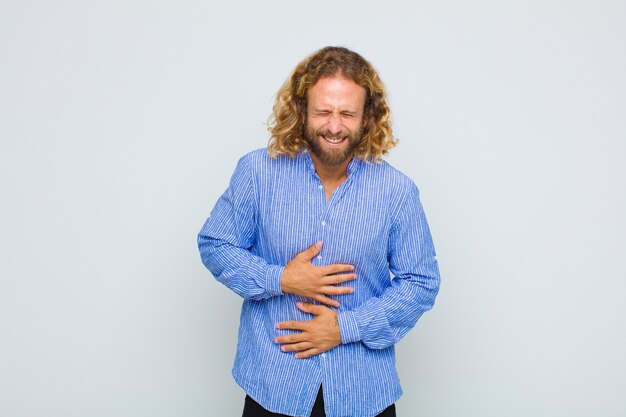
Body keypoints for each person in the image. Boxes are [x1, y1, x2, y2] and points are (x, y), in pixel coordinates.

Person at [197, 46, 440, 417]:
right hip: (273, 386)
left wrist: (346, 327)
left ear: (368, 116)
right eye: (324, 111)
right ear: (302, 110)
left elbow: (421, 282)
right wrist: (281, 278)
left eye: (347, 113)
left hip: (362, 391)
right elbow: (216, 244)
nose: (334, 125)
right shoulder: (257, 172)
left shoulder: (397, 192)